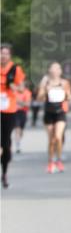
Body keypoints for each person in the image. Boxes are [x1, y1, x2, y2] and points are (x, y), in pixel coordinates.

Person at [37, 62, 71, 174]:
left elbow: (69, 96)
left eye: (57, 68)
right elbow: (39, 98)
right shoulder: (45, 83)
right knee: (51, 140)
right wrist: (46, 90)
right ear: (49, 71)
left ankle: (59, 160)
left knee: (58, 137)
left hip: (60, 112)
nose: (55, 71)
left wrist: (65, 92)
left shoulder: (64, 82)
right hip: (49, 112)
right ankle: (51, 161)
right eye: (53, 68)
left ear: (60, 71)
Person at [1, 44, 26, 188]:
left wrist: (14, 87)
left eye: (5, 53)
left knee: (6, 144)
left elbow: (22, 89)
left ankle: (4, 173)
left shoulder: (15, 69)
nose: (3, 56)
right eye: (1, 53)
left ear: (10, 55)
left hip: (8, 110)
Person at [13, 82, 32, 155]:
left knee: (21, 130)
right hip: (15, 112)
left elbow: (27, 104)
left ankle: (19, 140)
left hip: (23, 113)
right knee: (17, 129)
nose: (20, 87)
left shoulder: (27, 93)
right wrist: (22, 103)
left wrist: (18, 102)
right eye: (18, 86)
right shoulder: (14, 92)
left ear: (24, 86)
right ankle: (18, 146)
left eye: (21, 86)